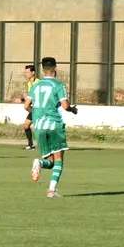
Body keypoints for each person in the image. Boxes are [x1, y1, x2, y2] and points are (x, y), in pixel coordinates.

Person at [25, 57, 77, 198]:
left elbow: (26, 105)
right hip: (53, 124)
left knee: (52, 162)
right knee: (59, 159)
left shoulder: (36, 85)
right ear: (55, 68)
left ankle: (40, 163)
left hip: (39, 126)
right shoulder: (58, 85)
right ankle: (51, 190)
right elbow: (65, 106)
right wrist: (73, 109)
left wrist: (36, 113)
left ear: (42, 69)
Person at [20, 64, 40, 150]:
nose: (26, 74)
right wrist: (23, 98)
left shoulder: (39, 82)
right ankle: (30, 145)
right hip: (34, 108)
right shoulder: (28, 83)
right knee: (26, 126)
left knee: (41, 128)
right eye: (25, 72)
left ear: (33, 72)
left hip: (41, 108)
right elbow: (30, 97)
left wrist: (27, 98)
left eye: (27, 72)